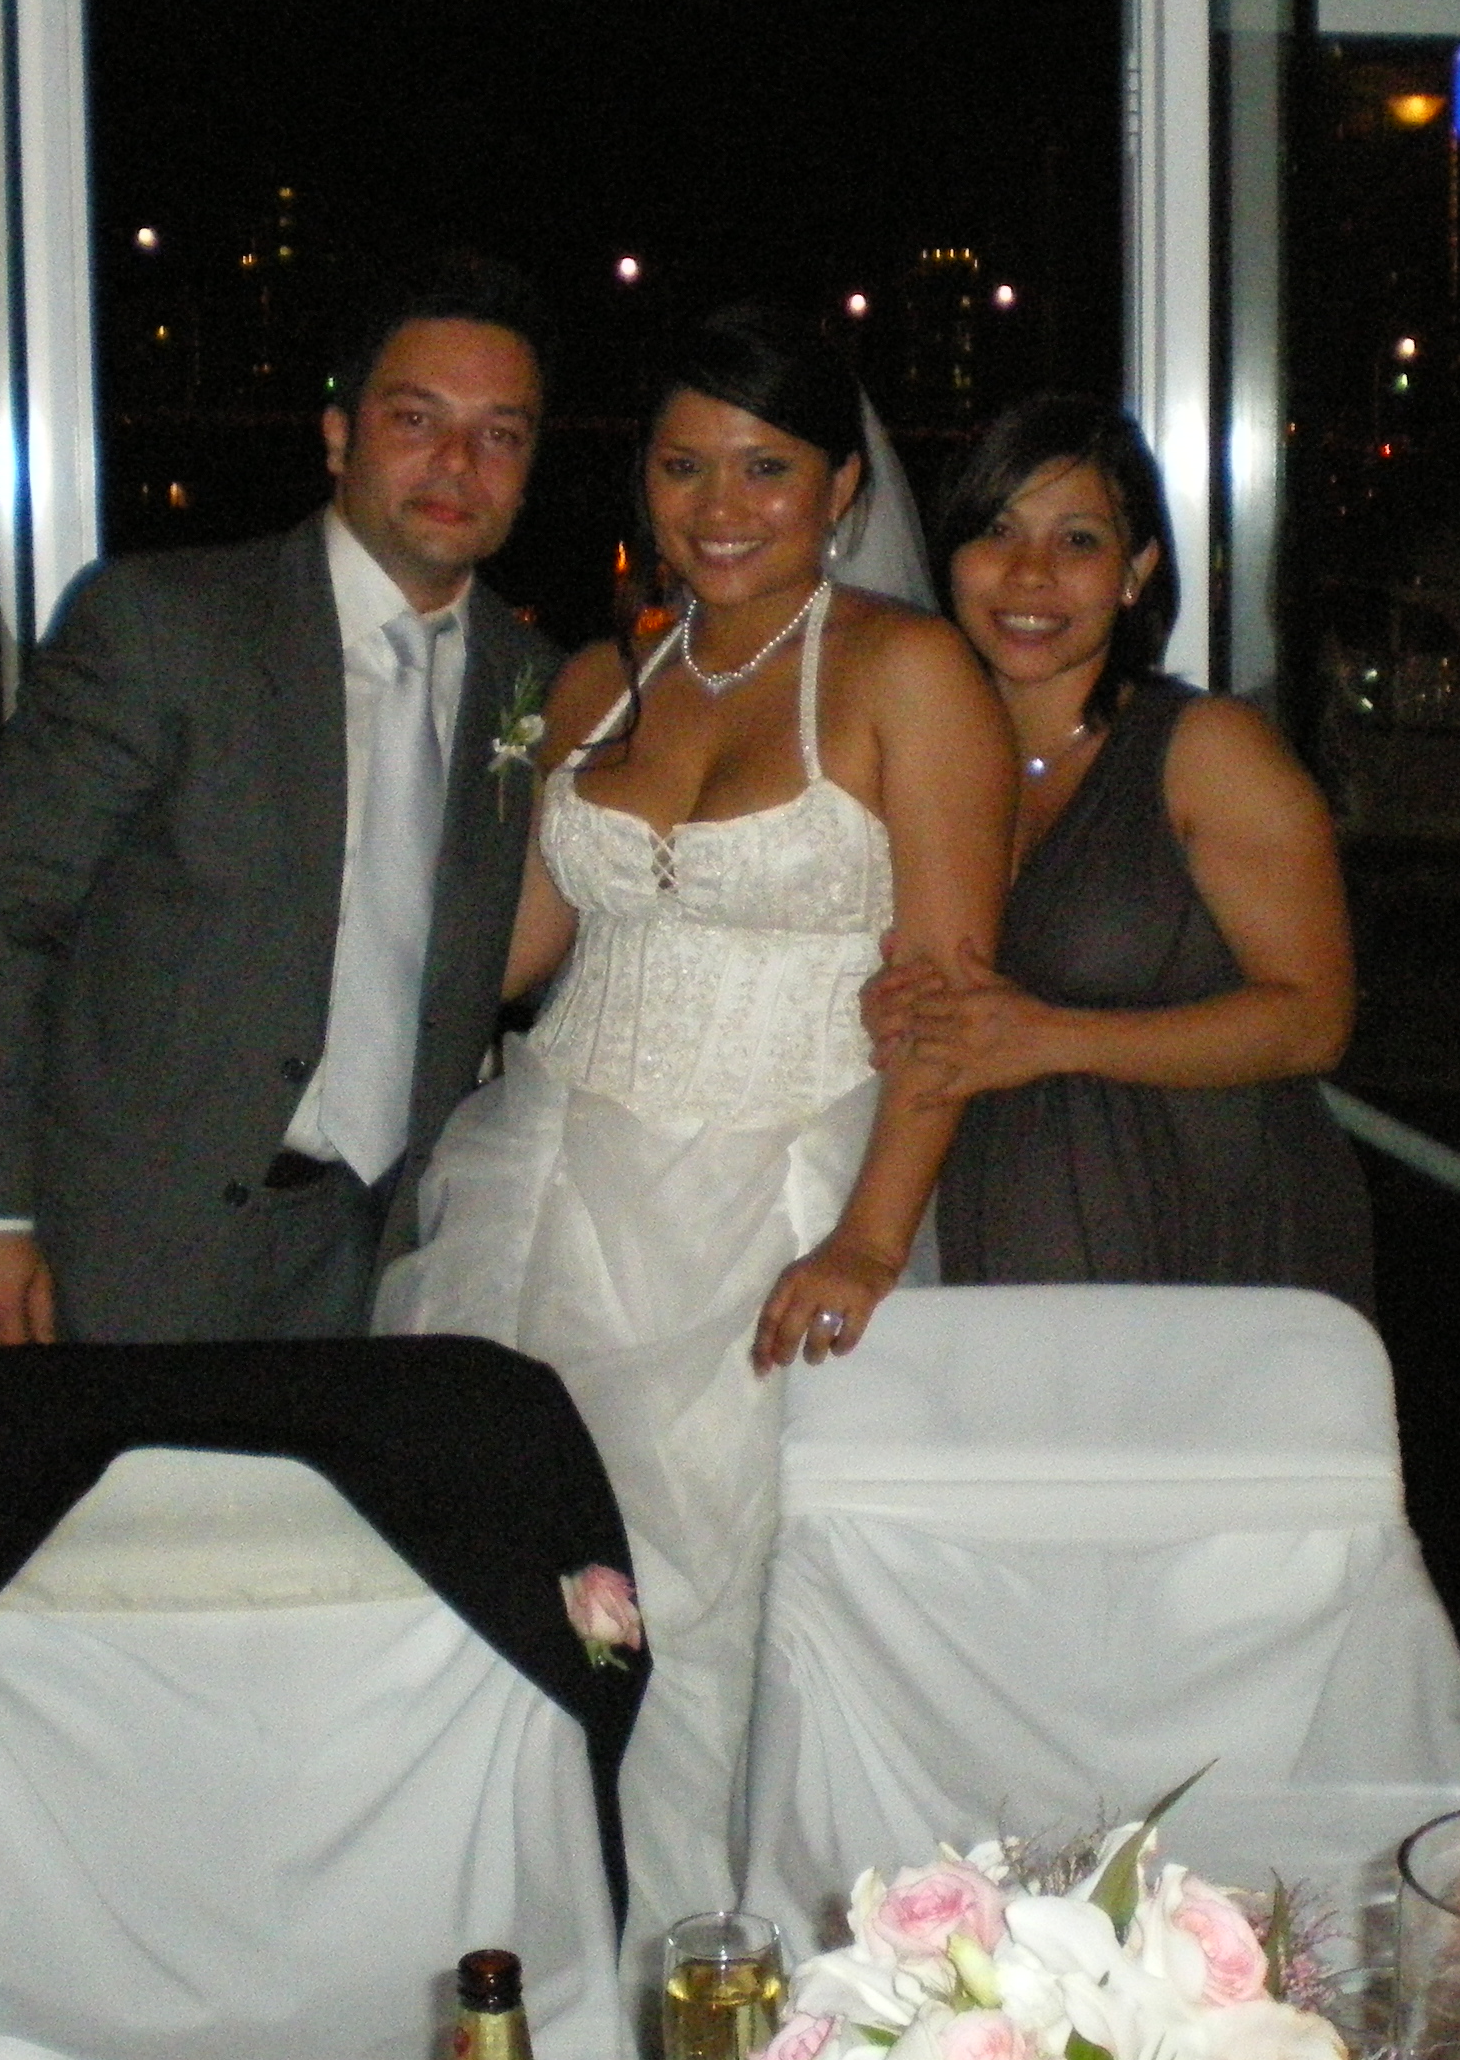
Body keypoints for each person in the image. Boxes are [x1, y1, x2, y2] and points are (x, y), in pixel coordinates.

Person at [376, 301, 1015, 1969]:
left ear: (840, 487)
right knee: (537, 1599)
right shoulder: (602, 679)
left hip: (777, 1205)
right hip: (549, 1187)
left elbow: (947, 1002)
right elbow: (513, 955)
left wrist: (868, 1236)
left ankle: (731, 1976)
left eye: (763, 467)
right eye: (681, 466)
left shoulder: (905, 671)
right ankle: (558, 1969)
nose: (718, 506)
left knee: (723, 1633)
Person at [0, 253, 565, 1346]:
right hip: (113, 1253)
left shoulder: (538, 687)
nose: (458, 462)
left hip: (382, 1264)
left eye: (501, 434)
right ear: (340, 435)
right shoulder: (168, 625)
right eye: (416, 419)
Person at [881, 394, 1376, 1311]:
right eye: (998, 530)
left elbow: (1316, 1021)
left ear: (1136, 570)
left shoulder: (1206, 751)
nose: (1030, 574)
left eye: (1077, 541)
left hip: (1209, 1250)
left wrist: (1053, 1037)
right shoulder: (921, 763)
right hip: (1001, 1257)